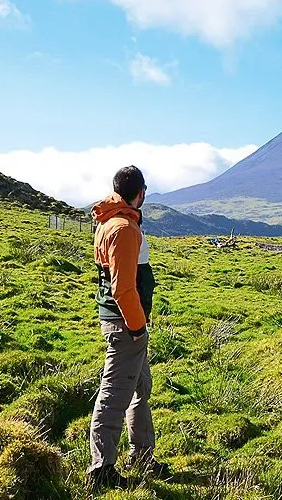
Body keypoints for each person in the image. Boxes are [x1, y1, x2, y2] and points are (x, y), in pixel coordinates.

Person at [87, 166, 169, 490]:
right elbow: (123, 288)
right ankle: (101, 469)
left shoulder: (111, 221)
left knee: (140, 388)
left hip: (124, 323)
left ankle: (142, 456)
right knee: (114, 395)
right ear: (140, 193)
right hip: (126, 326)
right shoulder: (123, 229)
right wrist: (137, 329)